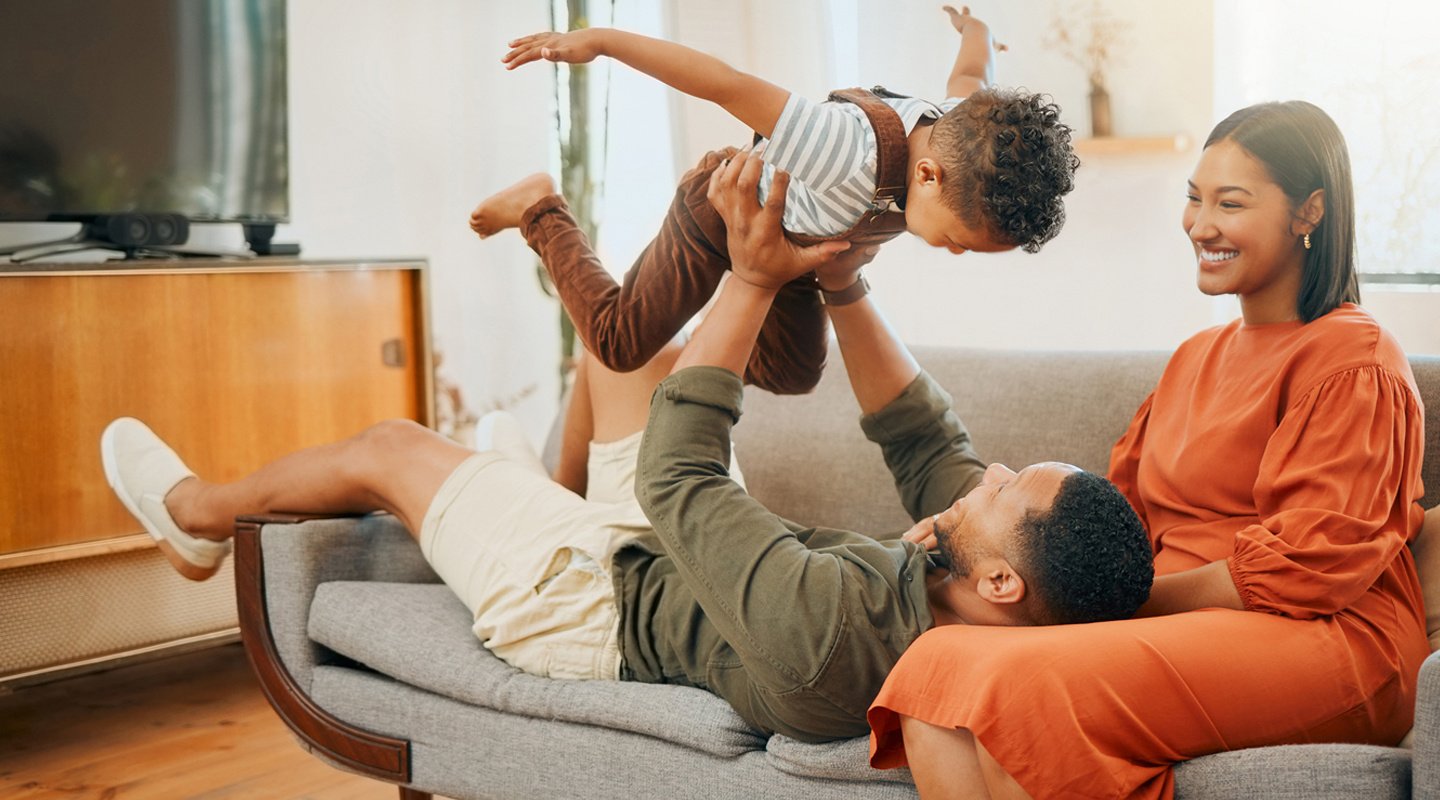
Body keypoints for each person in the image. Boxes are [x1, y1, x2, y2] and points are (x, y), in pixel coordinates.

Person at [99, 154, 1149, 744]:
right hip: (679, 551)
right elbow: (926, 436)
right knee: (632, 350)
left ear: (1005, 578)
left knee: (392, 442)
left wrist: (749, 275)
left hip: (589, 601)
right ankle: (511, 487)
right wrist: (837, 279)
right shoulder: (971, 575)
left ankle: (193, 514)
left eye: (1010, 488)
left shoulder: (834, 635)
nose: (992, 475)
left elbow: (678, 472)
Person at [861, 100, 1433, 799]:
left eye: (1232, 203)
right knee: (936, 668)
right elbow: (1110, 523)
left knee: (1022, 687)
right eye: (1194, 199)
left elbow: (1312, 566)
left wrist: (1138, 603)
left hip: (1324, 636)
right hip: (1190, 623)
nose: (1201, 225)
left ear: (1308, 213)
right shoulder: (1193, 357)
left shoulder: (1355, 356)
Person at [469, 5, 1079, 395]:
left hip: (793, 249)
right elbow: (723, 82)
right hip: (719, 216)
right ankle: (539, 208)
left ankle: (700, 325)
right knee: (619, 344)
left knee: (793, 375)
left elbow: (973, 79)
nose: (951, 254)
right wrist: (600, 41)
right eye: (955, 240)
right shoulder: (844, 148)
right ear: (926, 176)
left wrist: (980, 31)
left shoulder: (961, 126)